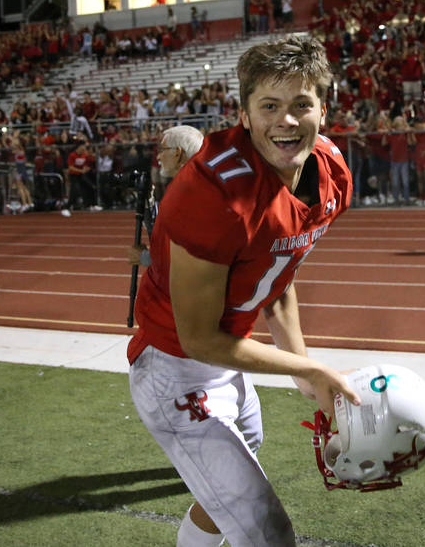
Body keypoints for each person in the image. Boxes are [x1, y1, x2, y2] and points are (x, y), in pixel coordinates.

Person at [127, 37, 361, 547]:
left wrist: (303, 376)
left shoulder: (331, 171)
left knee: (230, 484)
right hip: (174, 366)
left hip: (227, 356)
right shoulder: (212, 195)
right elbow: (198, 339)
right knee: (266, 530)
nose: (287, 120)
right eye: (270, 106)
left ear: (324, 107)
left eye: (302, 104)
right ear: (245, 114)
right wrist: (309, 369)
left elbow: (276, 280)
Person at [127, 124, 204, 268]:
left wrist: (145, 258)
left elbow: (189, 255)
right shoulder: (184, 186)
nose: (158, 156)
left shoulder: (190, 193)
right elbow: (162, 231)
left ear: (178, 153)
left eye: (162, 150)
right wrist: (148, 202)